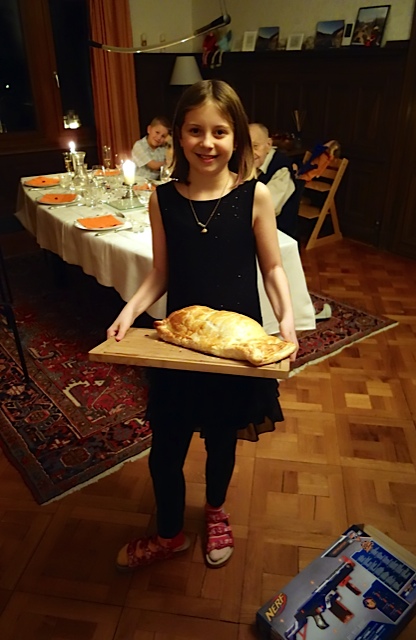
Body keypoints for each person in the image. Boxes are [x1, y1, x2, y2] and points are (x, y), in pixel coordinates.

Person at [108, 80, 299, 572]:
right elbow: (160, 273)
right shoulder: (163, 199)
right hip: (180, 345)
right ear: (178, 134)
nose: (207, 143)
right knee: (165, 449)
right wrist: (129, 311)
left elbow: (272, 268)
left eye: (219, 131)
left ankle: (215, 510)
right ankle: (170, 533)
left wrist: (287, 321)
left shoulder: (254, 196)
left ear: (236, 138)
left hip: (235, 347)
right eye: (195, 130)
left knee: (221, 440)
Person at [249, 123, 302, 239]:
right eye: (246, 147)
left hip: (277, 233)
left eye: (255, 146)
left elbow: (267, 209)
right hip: (253, 226)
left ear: (268, 144)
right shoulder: (242, 162)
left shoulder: (282, 169)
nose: (250, 153)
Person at [131, 115, 171, 181]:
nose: (159, 138)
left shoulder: (163, 148)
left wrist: (170, 141)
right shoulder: (139, 145)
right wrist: (168, 163)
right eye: (157, 132)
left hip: (154, 184)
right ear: (149, 129)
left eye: (163, 136)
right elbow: (154, 165)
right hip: (138, 183)